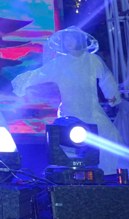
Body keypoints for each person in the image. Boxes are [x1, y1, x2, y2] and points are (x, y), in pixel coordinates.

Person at [12, 27, 127, 173]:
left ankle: (108, 173)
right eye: (66, 39)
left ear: (79, 40)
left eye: (71, 38)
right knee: (68, 143)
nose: (68, 42)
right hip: (70, 110)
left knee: (109, 135)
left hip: (92, 109)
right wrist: (21, 83)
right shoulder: (59, 63)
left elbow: (106, 77)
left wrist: (112, 96)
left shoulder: (93, 60)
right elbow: (39, 74)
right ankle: (69, 175)